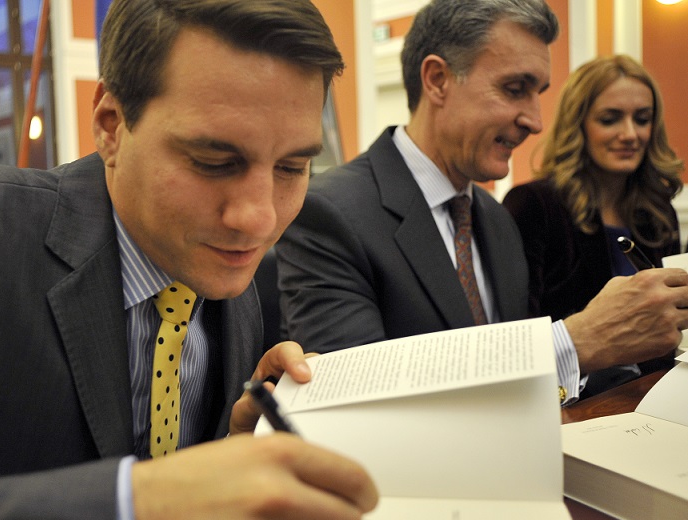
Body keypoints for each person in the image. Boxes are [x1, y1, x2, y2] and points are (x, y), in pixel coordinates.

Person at [0, 1, 378, 520]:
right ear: (111, 125)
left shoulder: (241, 274)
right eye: (214, 161)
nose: (259, 219)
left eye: (291, 168)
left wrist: (237, 450)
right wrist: (134, 517)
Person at [276, 0, 688, 404]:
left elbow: (513, 392)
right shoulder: (329, 212)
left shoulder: (495, 219)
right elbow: (352, 400)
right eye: (514, 89)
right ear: (437, 79)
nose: (535, 121)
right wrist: (575, 342)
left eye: (537, 94)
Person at [502, 54, 683, 396]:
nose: (630, 134)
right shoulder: (533, 205)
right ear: (579, 124)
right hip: (565, 399)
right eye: (610, 119)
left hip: (653, 394)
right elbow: (519, 333)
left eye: (642, 119)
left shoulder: (658, 211)